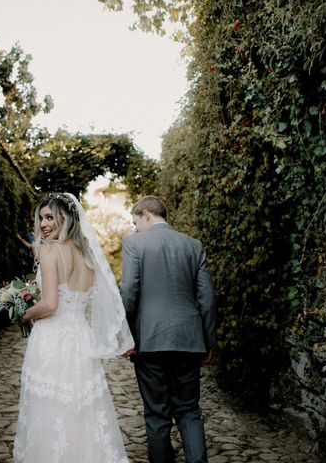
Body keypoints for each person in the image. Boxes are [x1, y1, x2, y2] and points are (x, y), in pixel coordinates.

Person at [13, 192, 135, 463]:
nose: (43, 224)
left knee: (50, 407)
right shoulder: (87, 254)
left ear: (66, 219)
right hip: (81, 338)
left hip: (52, 341)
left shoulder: (49, 250)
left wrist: (25, 314)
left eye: (50, 217)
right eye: (41, 218)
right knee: (82, 409)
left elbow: (50, 304)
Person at [120, 196, 217, 463]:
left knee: (156, 412)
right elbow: (207, 297)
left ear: (146, 215)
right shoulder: (193, 245)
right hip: (189, 340)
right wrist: (208, 341)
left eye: (135, 221)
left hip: (149, 341)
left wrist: (126, 335)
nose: (134, 227)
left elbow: (128, 291)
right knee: (189, 410)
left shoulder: (134, 244)